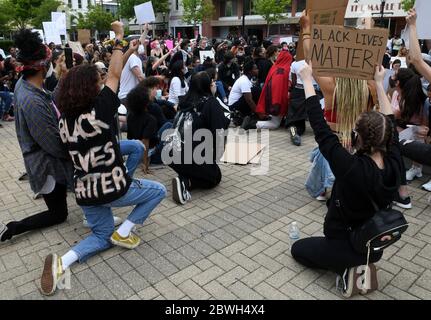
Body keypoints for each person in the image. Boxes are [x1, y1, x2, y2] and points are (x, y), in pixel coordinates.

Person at [40, 21, 166, 296]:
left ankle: (62, 262)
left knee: (101, 236)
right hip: (110, 187)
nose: (102, 85)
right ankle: (126, 229)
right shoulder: (100, 109)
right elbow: (115, 73)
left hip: (85, 192)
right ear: (89, 89)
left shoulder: (64, 122)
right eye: (97, 83)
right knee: (159, 191)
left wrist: (126, 47)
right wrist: (119, 37)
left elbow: (110, 74)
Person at [291, 62, 402, 298]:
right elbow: (389, 120)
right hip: (375, 243)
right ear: (388, 138)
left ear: (357, 136)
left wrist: (308, 80)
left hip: (345, 244)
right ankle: (361, 264)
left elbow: (321, 130)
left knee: (298, 249)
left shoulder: (351, 167)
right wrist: (380, 83)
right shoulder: (395, 161)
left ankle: (346, 270)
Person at [0, 30, 73, 243]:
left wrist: (63, 79)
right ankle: (13, 228)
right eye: (51, 61)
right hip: (46, 166)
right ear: (42, 66)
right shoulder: (31, 100)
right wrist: (75, 154)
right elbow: (52, 143)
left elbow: (50, 100)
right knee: (59, 214)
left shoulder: (27, 84)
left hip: (45, 161)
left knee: (59, 207)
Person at [167, 72, 230, 205]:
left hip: (171, 155)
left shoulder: (184, 100)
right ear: (207, 86)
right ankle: (185, 182)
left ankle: (187, 174)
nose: (214, 84)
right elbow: (219, 132)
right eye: (212, 82)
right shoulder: (210, 102)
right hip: (190, 156)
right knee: (215, 176)